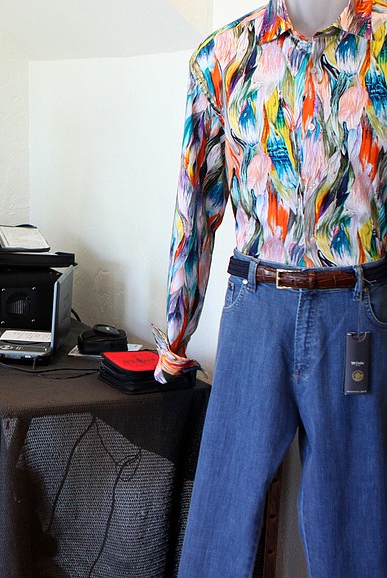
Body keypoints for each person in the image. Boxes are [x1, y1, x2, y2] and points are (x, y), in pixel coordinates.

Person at [156, 0, 387, 576]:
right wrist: (178, 327)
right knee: (224, 501)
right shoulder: (223, 58)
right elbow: (197, 199)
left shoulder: (381, 43)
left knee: (355, 513)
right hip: (257, 303)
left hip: (357, 311)